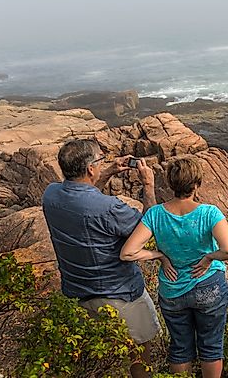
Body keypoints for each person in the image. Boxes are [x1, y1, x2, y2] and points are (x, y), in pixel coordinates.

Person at [42, 139, 161, 378]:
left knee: (101, 360)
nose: (103, 163)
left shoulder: (50, 195)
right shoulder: (109, 208)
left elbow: (82, 197)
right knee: (139, 357)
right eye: (100, 159)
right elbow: (150, 227)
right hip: (120, 295)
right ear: (89, 169)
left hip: (77, 292)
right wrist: (148, 186)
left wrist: (106, 173)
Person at [120, 157, 228, 378]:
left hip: (173, 289)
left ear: (172, 184)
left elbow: (128, 253)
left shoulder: (155, 215)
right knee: (211, 347)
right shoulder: (209, 213)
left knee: (181, 348)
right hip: (208, 285)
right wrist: (209, 258)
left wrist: (159, 256)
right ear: (196, 184)